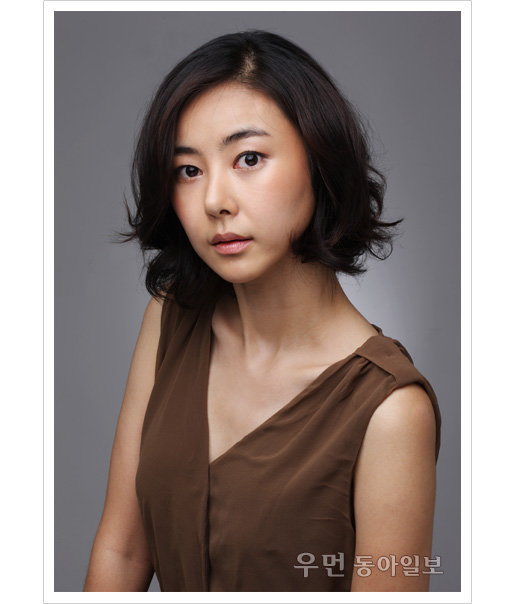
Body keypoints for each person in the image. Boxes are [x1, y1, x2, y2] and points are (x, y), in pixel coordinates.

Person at [83, 30, 441, 592]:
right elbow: (122, 549)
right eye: (189, 170)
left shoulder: (391, 409)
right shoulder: (170, 318)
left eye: (248, 159)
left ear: (320, 161)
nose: (214, 201)